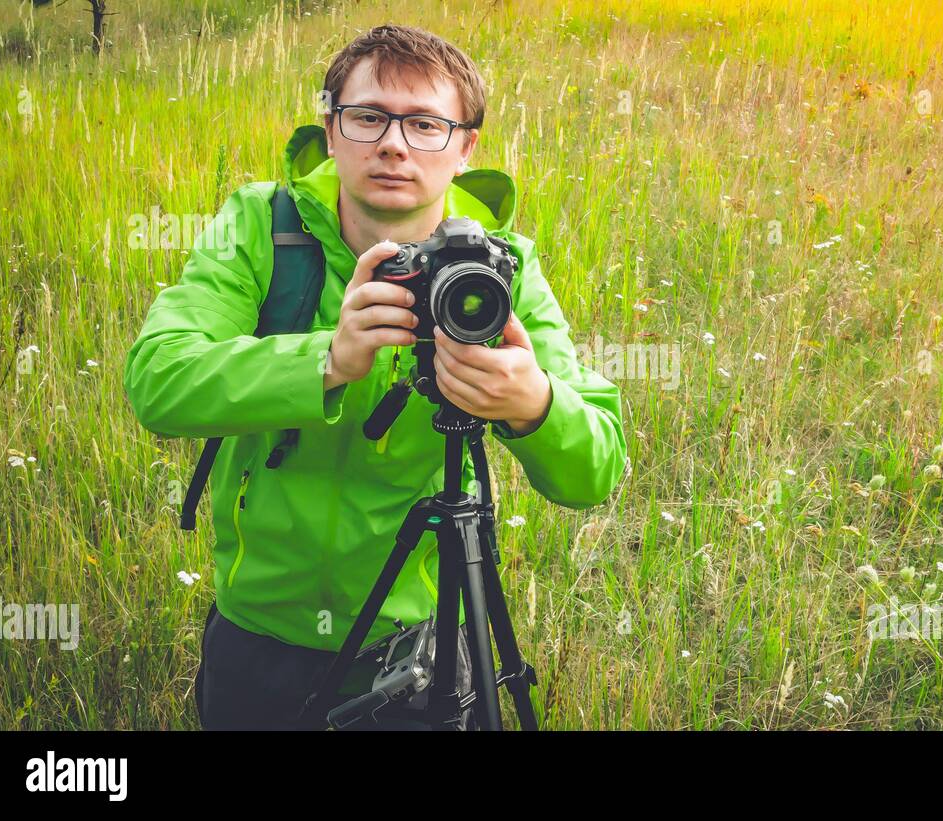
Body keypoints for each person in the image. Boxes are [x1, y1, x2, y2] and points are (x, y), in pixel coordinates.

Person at [123, 24, 628, 729]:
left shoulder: (501, 267)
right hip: (260, 632)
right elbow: (156, 378)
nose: (394, 144)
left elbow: (596, 467)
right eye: (368, 117)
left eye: (425, 123)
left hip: (417, 643)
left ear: (465, 148)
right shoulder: (263, 227)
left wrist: (533, 403)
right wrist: (327, 360)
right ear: (331, 130)